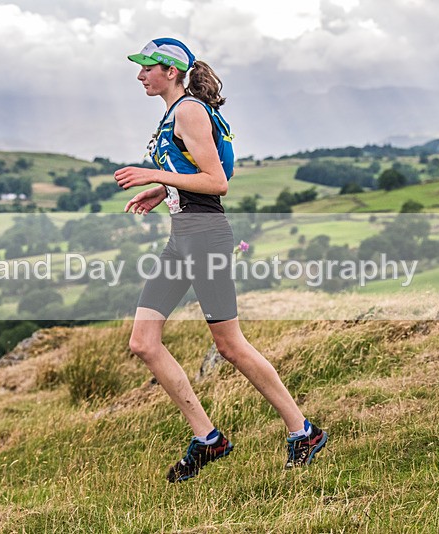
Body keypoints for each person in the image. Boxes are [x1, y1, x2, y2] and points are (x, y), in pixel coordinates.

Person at [115, 37, 327, 483]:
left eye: (146, 68)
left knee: (230, 346)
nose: (139, 75)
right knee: (143, 342)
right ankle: (209, 439)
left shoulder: (189, 110)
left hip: (206, 237)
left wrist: (154, 173)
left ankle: (302, 431)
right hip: (183, 237)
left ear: (170, 71)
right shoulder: (177, 113)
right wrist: (164, 190)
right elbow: (201, 173)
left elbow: (217, 182)